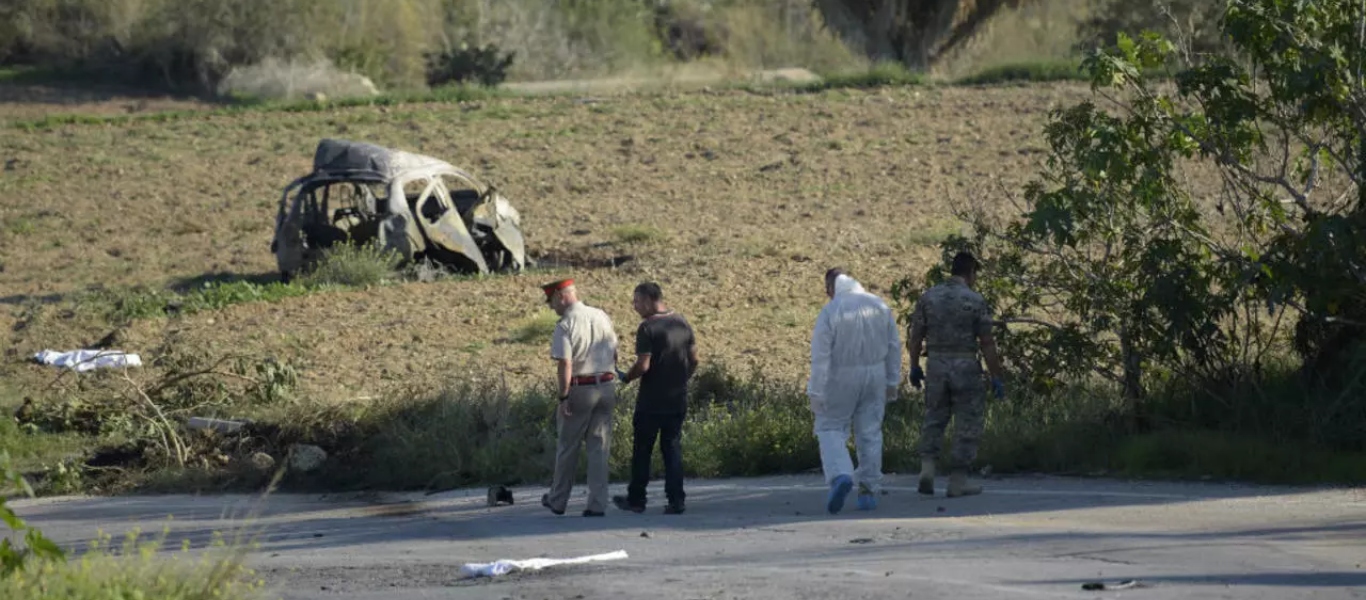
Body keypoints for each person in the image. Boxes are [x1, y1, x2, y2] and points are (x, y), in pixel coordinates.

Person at [906, 251, 1007, 498]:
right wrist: (996, 375)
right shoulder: (975, 300)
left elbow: (915, 336)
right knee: (967, 422)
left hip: (937, 366)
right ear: (971, 273)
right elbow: (987, 343)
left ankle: (927, 470)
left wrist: (914, 365)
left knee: (934, 418)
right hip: (965, 366)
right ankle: (957, 480)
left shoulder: (929, 298)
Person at [807, 268, 902, 514]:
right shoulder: (879, 305)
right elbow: (894, 346)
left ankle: (840, 475)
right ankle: (868, 490)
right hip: (876, 375)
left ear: (831, 288)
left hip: (840, 377)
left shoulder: (831, 311)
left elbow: (820, 357)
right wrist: (892, 381)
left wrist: (816, 392)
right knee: (870, 432)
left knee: (830, 427)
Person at [612, 282, 698, 515]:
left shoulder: (647, 328)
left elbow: (643, 364)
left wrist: (627, 378)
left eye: (637, 301)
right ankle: (676, 499)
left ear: (650, 300)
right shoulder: (682, 322)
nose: (634, 306)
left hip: (651, 401)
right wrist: (681, 379)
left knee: (642, 451)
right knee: (672, 449)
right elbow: (694, 359)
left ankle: (637, 499)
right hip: (677, 399)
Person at [539, 278, 620, 517]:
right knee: (599, 448)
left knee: (568, 447)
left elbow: (565, 363)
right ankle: (597, 504)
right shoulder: (601, 315)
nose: (552, 307)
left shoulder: (565, 325)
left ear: (561, 297)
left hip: (580, 388)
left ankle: (558, 500)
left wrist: (563, 397)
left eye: (552, 301)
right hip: (606, 385)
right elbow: (615, 350)